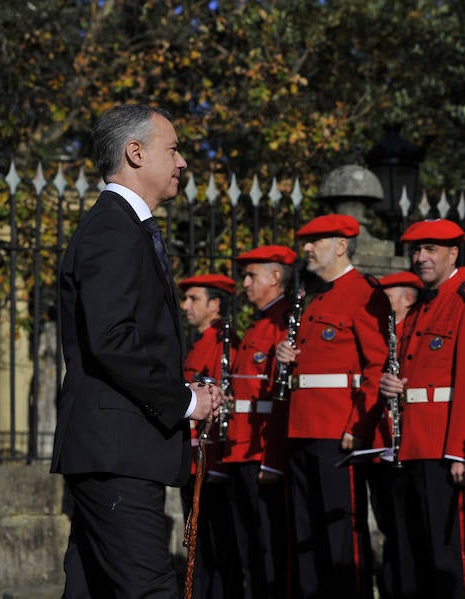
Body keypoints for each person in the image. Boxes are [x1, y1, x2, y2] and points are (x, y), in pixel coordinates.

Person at [52, 104, 222, 597]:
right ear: (135, 152)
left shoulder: (123, 226)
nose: (182, 162)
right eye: (172, 149)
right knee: (150, 590)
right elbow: (112, 339)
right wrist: (186, 401)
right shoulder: (113, 228)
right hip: (117, 453)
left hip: (116, 449)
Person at [379, 219, 465, 599]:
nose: (421, 258)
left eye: (430, 249)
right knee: (417, 558)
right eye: (417, 250)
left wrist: (461, 451)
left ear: (453, 253)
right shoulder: (420, 308)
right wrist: (391, 385)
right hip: (411, 445)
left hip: (446, 449)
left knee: (452, 560)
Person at [274, 214, 390, 599]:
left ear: (341, 245)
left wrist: (358, 425)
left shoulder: (364, 292)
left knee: (340, 538)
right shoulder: (313, 297)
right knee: (306, 537)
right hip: (303, 429)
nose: (306, 248)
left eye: (316, 241)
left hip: (337, 432)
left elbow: (376, 366)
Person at [224, 245, 297, 598]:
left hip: (261, 454)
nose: (245, 283)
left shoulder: (283, 323)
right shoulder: (259, 322)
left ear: (275, 277)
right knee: (247, 544)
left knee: (268, 547)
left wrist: (273, 459)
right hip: (241, 451)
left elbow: (281, 401)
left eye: (252, 275)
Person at [178, 273, 242, 599]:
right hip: (191, 459)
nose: (185, 305)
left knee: (216, 545)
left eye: (193, 299)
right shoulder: (197, 343)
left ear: (215, 304)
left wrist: (214, 464)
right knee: (197, 543)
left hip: (209, 461)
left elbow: (222, 403)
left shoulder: (223, 344)